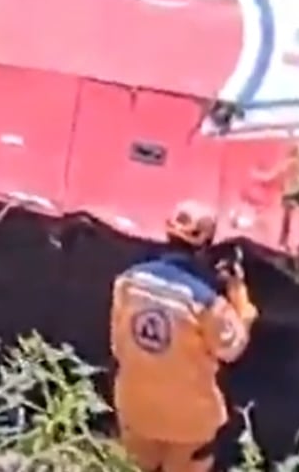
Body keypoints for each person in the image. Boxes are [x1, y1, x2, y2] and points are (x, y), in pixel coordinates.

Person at [109, 201, 259, 472]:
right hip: (190, 424)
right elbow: (232, 348)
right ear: (205, 247)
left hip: (136, 410)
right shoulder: (206, 304)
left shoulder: (128, 283)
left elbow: (118, 347)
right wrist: (240, 300)